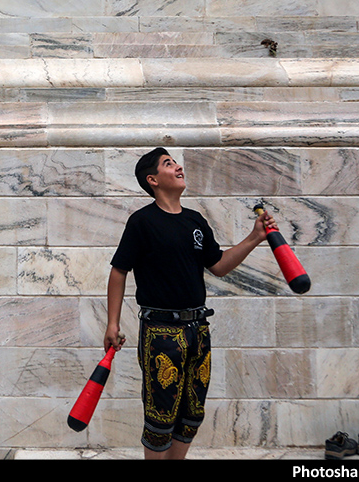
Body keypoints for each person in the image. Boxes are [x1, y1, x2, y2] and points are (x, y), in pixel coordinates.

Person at [104, 147, 275, 460]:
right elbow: (119, 270)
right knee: (161, 418)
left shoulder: (195, 221)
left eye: (176, 162)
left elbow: (219, 265)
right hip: (161, 333)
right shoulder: (142, 222)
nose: (178, 167)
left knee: (192, 414)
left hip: (199, 329)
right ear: (152, 180)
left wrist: (254, 237)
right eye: (169, 164)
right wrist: (112, 323)